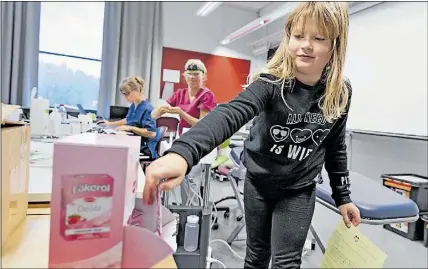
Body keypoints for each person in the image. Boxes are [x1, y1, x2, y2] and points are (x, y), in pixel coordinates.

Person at [144, 2, 361, 269]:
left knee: (286, 263)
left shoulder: (339, 93)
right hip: (258, 183)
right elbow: (231, 113)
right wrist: (183, 152)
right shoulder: (271, 82)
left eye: (318, 38)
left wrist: (343, 197)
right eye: (298, 36)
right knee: (257, 257)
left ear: (335, 45)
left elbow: (335, 146)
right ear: (288, 38)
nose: (306, 45)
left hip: (299, 189)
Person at [152, 59, 217, 206]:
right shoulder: (180, 93)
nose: (192, 77)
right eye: (189, 74)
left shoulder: (207, 95)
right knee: (182, 176)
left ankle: (193, 212)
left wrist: (181, 112)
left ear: (203, 77)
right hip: (184, 141)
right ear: (185, 76)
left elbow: (201, 123)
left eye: (196, 74)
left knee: (191, 178)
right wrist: (160, 110)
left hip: (200, 141)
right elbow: (154, 115)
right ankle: (184, 209)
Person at [98, 76, 161, 159]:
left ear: (137, 90)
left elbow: (151, 133)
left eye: (128, 93)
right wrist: (110, 124)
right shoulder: (134, 105)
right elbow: (128, 120)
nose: (126, 97)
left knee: (112, 151)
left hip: (144, 148)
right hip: (134, 142)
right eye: (124, 94)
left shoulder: (147, 109)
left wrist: (130, 128)